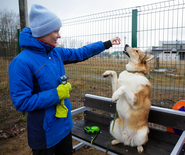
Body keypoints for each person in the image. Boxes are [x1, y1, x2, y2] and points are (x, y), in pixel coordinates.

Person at [8, 4, 121, 155]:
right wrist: (57, 94)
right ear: (43, 32)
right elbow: (21, 102)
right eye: (56, 31)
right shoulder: (21, 62)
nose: (59, 36)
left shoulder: (55, 53)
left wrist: (106, 44)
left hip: (64, 126)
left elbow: (80, 53)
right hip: (44, 135)